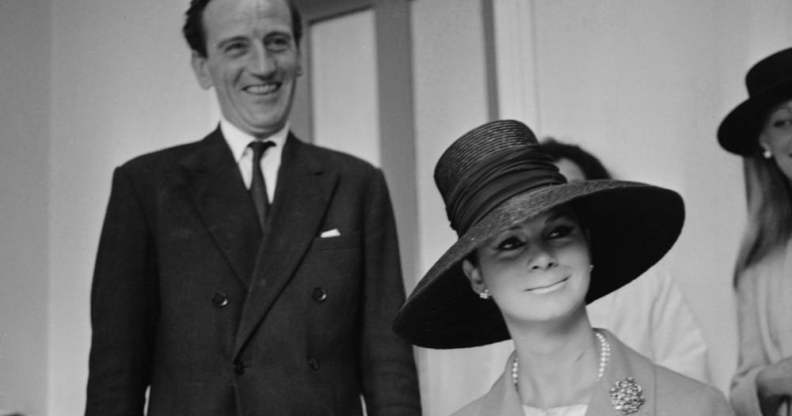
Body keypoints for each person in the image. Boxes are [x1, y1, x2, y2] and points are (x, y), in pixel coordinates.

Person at [84, 0, 420, 414]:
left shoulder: (356, 184)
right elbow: (115, 373)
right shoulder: (147, 186)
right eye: (236, 47)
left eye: (277, 42)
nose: (262, 66)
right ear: (202, 67)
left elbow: (389, 364)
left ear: (299, 55)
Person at [394, 120, 733, 415]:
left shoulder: (696, 407)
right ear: (476, 275)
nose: (542, 257)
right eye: (510, 243)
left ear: (587, 244)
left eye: (558, 232)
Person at [538, 138, 710, 383]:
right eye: (551, 194)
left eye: (573, 190)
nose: (564, 205)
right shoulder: (523, 289)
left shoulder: (647, 280)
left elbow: (689, 369)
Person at [718, 47, 792, 416]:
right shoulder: (759, 262)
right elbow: (743, 388)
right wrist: (771, 381)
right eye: (783, 122)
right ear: (765, 141)